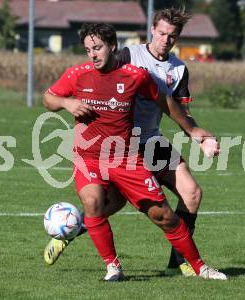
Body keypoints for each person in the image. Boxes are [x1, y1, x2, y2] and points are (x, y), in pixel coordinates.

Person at [43, 22, 226, 281]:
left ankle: (197, 266)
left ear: (112, 47)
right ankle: (113, 267)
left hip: (127, 157)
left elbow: (167, 102)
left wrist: (193, 131)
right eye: (88, 50)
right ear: (153, 30)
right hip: (89, 157)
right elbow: (48, 98)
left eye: (97, 48)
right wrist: (66, 102)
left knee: (164, 214)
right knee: (94, 202)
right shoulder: (77, 74)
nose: (93, 54)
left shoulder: (136, 75)